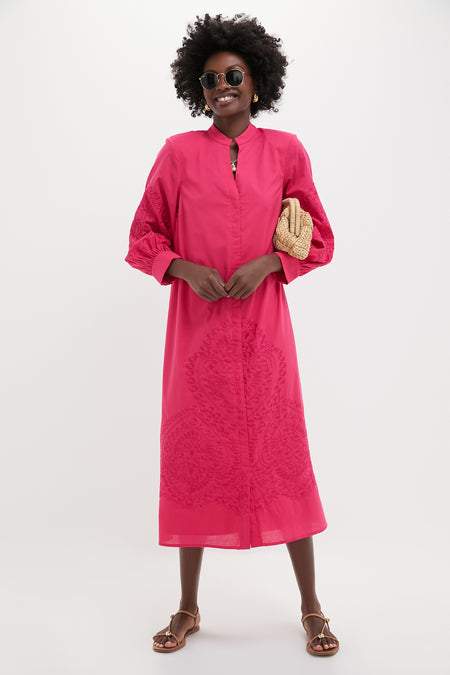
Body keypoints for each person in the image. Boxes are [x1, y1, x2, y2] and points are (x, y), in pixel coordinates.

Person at [124, 13, 339, 657]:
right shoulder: (177, 153)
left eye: (234, 75)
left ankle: (312, 608)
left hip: (265, 332)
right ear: (199, 89)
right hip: (197, 334)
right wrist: (182, 268)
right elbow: (143, 236)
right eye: (211, 78)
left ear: (257, 82)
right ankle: (187, 607)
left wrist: (270, 264)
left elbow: (318, 238)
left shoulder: (287, 151)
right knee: (195, 457)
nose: (223, 86)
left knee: (282, 455)